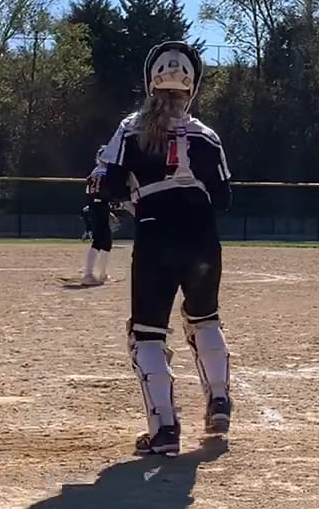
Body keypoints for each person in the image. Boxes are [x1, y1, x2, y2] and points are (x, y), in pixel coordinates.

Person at [95, 40, 233, 456]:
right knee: (204, 319)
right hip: (202, 236)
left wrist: (131, 196)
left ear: (150, 83)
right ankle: (219, 401)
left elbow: (108, 185)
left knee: (147, 334)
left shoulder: (131, 129)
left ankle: (165, 430)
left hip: (156, 234)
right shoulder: (207, 136)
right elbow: (223, 197)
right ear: (192, 86)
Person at [77, 160, 120, 286]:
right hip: (100, 205)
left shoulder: (95, 171)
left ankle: (102, 274)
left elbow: (89, 191)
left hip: (95, 205)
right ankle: (88, 275)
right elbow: (109, 190)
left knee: (106, 240)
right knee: (99, 240)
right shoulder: (109, 171)